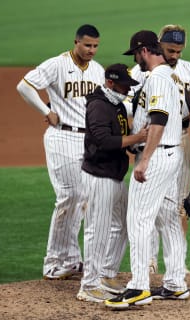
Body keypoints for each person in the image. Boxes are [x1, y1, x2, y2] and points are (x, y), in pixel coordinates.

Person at [105, 30, 188, 309]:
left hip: (158, 156)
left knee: (138, 219)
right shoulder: (172, 77)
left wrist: (145, 159)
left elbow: (159, 118)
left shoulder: (158, 78)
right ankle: (176, 283)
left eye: (136, 55)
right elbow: (182, 115)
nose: (136, 61)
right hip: (171, 154)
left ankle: (139, 286)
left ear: (143, 50)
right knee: (168, 219)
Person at [16, 24, 104, 280]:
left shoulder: (97, 71)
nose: (91, 50)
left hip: (87, 140)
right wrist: (47, 111)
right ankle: (53, 261)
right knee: (69, 197)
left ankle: (71, 259)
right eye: (87, 45)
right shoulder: (56, 64)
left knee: (83, 199)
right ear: (76, 42)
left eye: (96, 46)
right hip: (62, 137)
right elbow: (24, 86)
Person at [132, 24, 190, 275]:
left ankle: (177, 264)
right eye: (171, 50)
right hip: (152, 140)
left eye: (179, 51)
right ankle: (150, 260)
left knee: (178, 205)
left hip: (180, 138)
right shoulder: (141, 72)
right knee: (149, 203)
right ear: (158, 46)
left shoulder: (187, 70)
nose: (175, 56)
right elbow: (132, 108)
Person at [76, 64, 148, 302]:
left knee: (125, 223)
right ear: (109, 83)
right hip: (99, 176)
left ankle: (105, 274)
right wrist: (136, 137)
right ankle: (88, 285)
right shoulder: (98, 105)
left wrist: (134, 143)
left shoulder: (114, 104)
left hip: (114, 175)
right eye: (124, 86)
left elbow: (118, 137)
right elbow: (103, 140)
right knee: (97, 229)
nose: (127, 90)